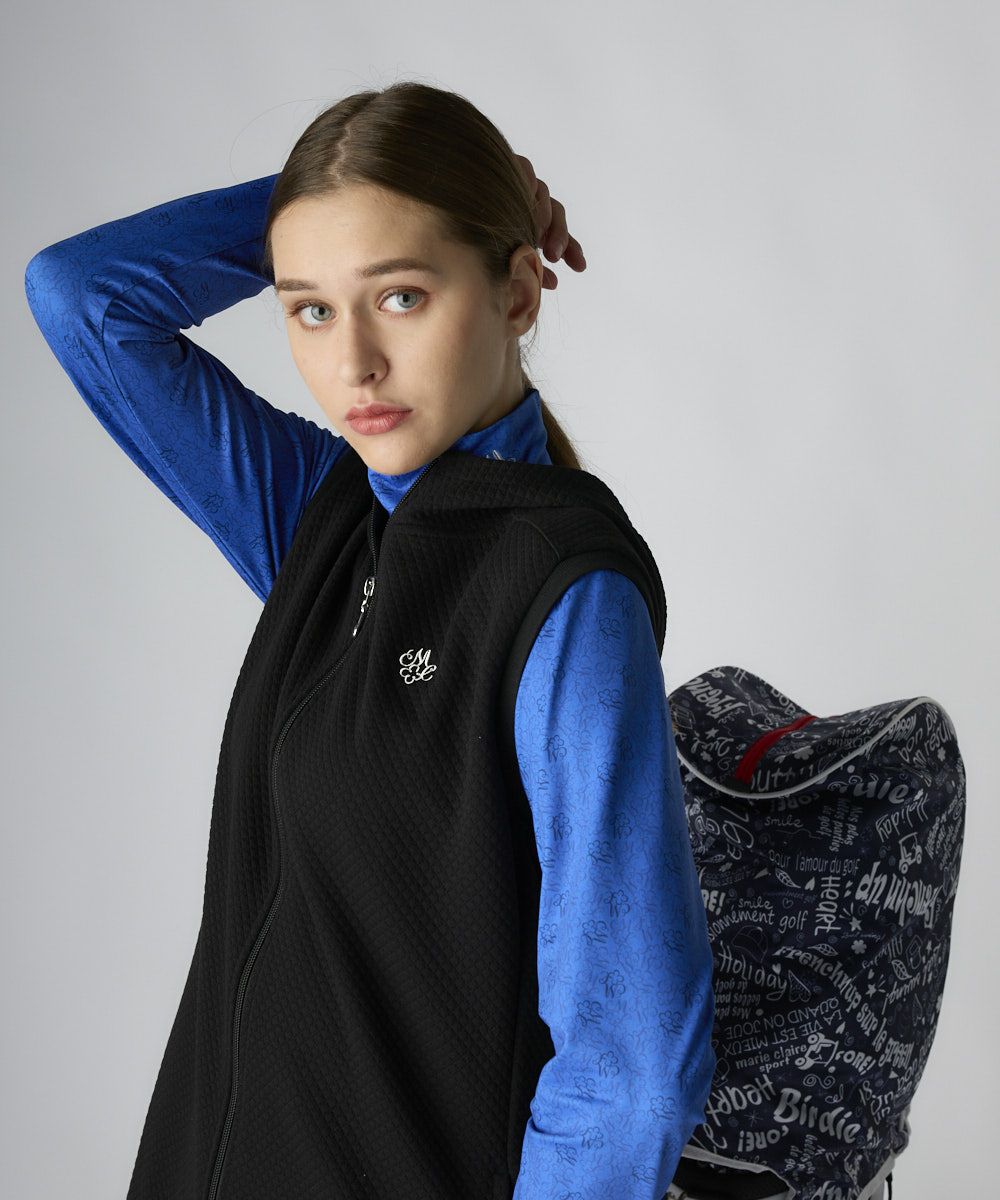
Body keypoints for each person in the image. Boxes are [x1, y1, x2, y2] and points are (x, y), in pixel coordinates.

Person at [23, 80, 717, 1200]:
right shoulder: (323, 514)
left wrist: (413, 201)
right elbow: (81, 295)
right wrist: (332, 208)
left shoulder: (565, 593)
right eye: (309, 309)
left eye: (400, 296)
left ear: (516, 291)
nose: (352, 363)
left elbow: (631, 1070)